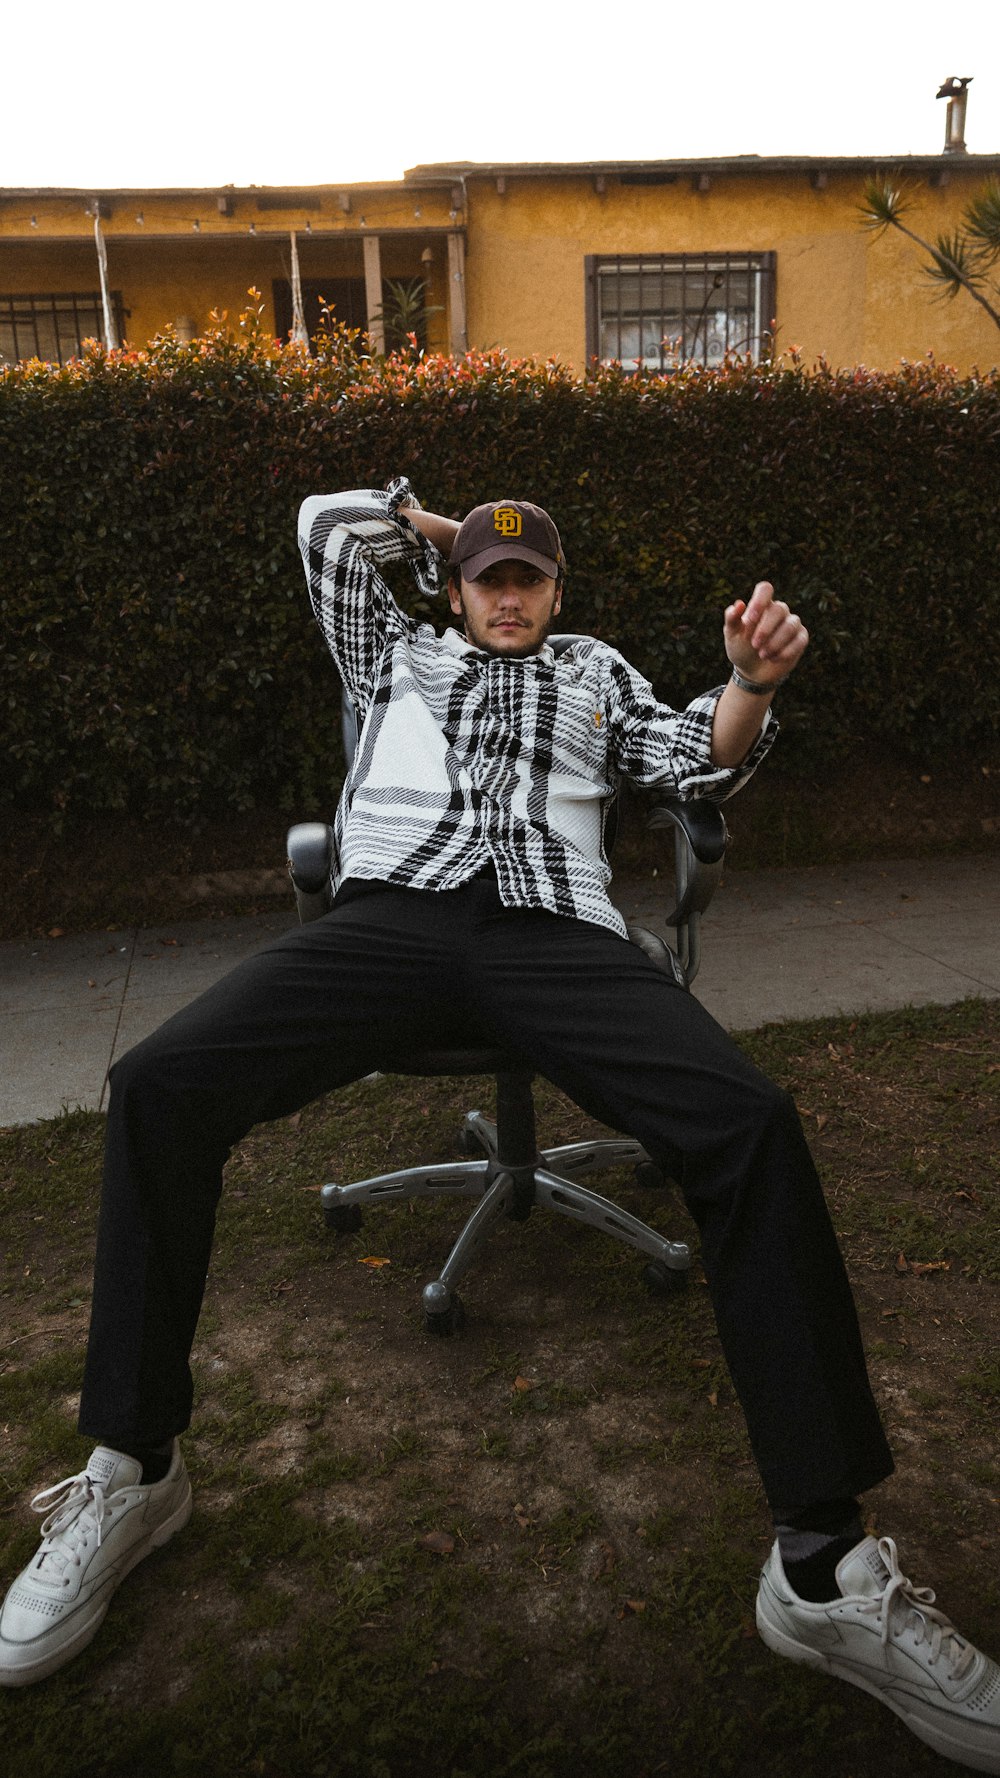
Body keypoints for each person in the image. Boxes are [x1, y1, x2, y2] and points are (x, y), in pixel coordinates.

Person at [1, 480, 997, 1775]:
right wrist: (449, 526)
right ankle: (133, 1468)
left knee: (747, 1118)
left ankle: (819, 1566)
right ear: (457, 588)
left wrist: (749, 679)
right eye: (489, 576)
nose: (509, 592)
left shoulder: (593, 672)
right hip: (389, 923)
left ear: (560, 593)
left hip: (554, 933)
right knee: (159, 1083)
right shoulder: (393, 652)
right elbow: (322, 523)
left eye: (530, 575)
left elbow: (698, 749)